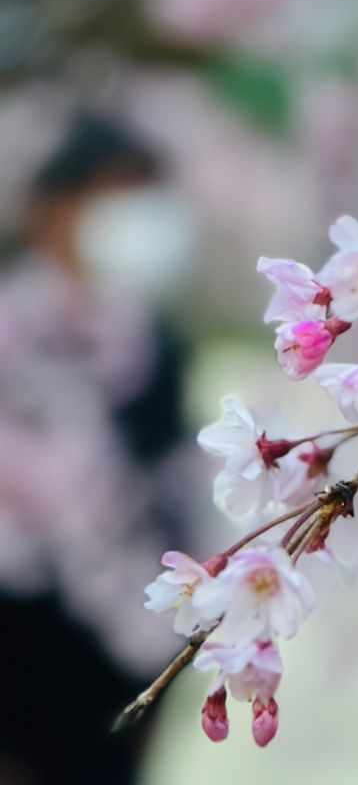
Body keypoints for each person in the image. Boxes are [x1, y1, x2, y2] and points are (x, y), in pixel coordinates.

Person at [0, 112, 199, 784]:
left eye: (146, 192)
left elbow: (178, 488)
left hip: (127, 654)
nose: (134, 216)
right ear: (52, 209)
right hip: (19, 644)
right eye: (114, 192)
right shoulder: (11, 340)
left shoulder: (155, 346)